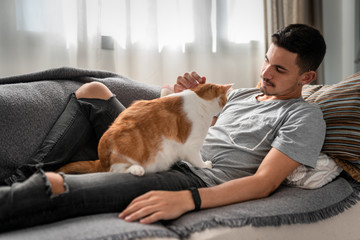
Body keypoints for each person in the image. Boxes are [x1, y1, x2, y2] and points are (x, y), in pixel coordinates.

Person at [0, 23, 327, 231]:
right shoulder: (242, 94)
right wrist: (181, 94)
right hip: (171, 148)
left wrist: (189, 199)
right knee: (93, 91)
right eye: (267, 60)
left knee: (58, 186)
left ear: (307, 77)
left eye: (279, 69)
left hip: (190, 174)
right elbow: (191, 127)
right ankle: (22, 177)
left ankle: (31, 187)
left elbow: (263, 183)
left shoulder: (304, 117)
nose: (266, 72)